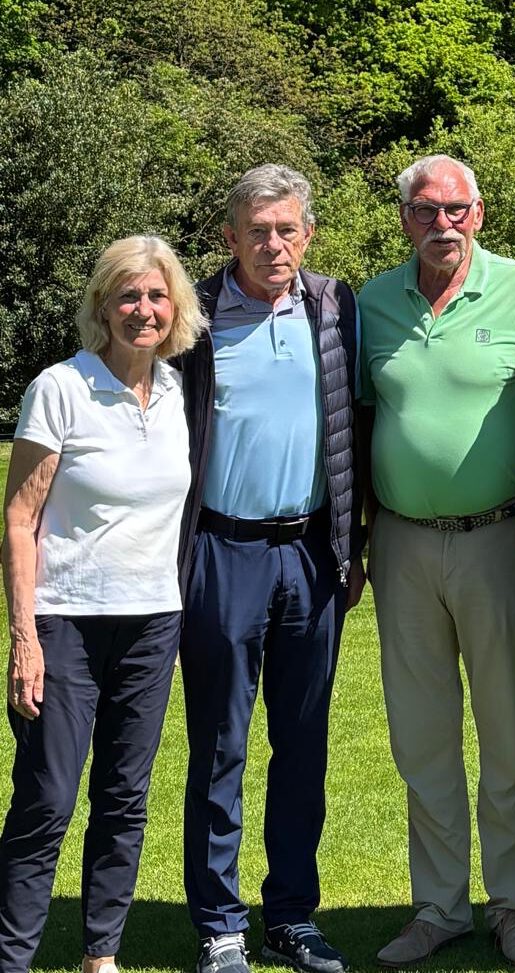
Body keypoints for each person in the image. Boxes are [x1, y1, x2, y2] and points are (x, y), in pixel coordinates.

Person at [358, 154, 515, 969]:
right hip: (401, 542)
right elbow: (356, 423)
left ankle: (513, 906)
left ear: (478, 214)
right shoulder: (372, 302)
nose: (441, 224)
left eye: (455, 210)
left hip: (499, 540)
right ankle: (439, 906)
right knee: (422, 735)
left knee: (507, 731)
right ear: (404, 218)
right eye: (425, 210)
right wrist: (356, 542)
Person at [176, 164, 363, 973]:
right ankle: (221, 924)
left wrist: (353, 545)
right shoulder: (193, 317)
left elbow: (359, 423)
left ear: (308, 234)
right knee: (221, 745)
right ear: (230, 237)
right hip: (222, 552)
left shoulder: (336, 306)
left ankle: (290, 914)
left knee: (303, 743)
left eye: (287, 229)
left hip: (312, 554)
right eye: (257, 231)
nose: (273, 244)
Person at [0, 235, 201, 973]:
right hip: (65, 623)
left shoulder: (180, 394)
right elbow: (19, 518)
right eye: (128, 296)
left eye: (156, 296)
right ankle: (11, 957)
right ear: (102, 306)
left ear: (174, 307)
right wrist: (24, 636)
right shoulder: (61, 387)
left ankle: (101, 955)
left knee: (124, 797)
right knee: (48, 799)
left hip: (153, 623)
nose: (143, 310)